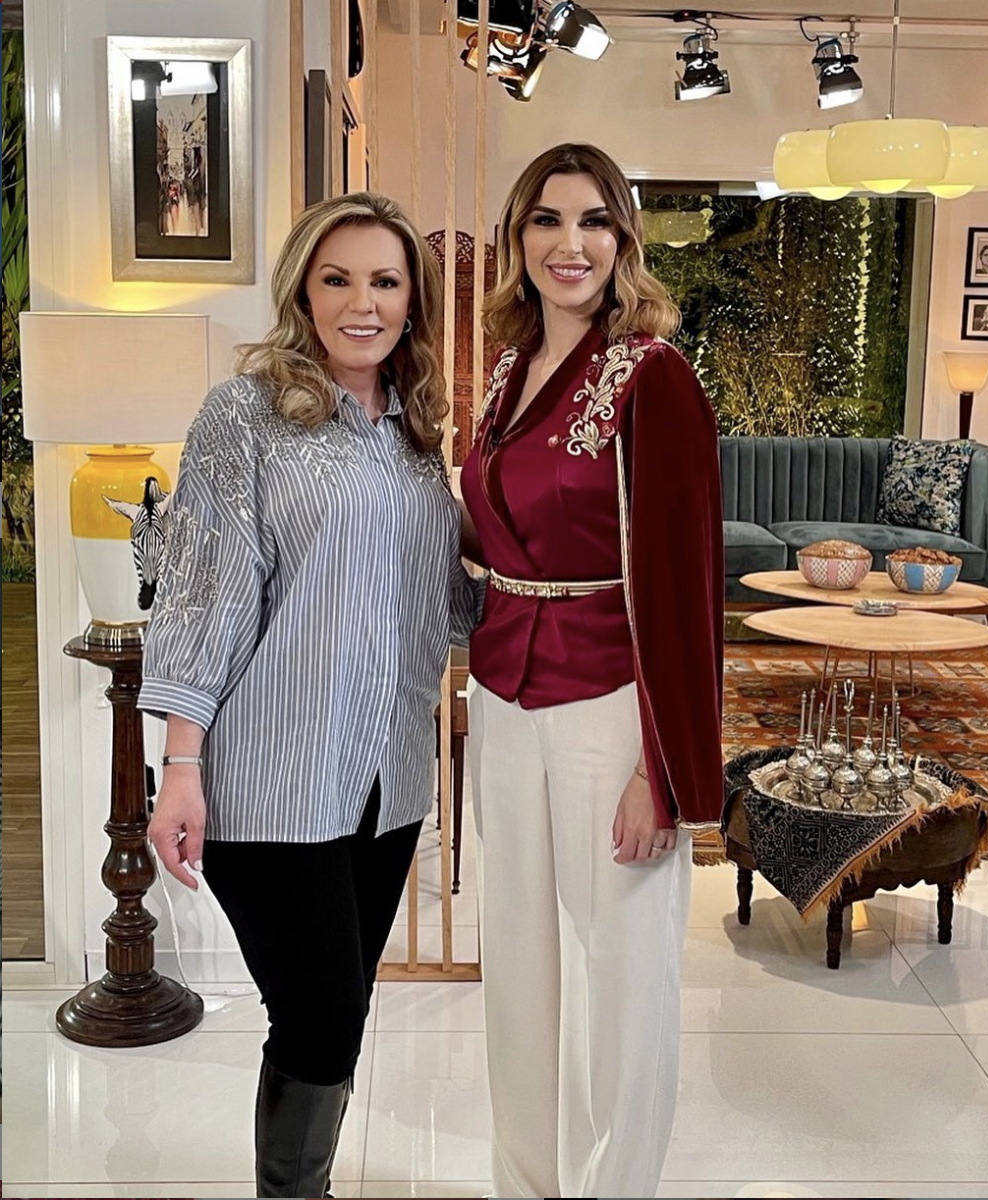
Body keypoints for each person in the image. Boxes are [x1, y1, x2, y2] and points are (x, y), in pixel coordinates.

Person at [139, 192, 483, 1199]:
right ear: (303, 292)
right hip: (270, 775)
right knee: (322, 1015)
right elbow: (205, 592)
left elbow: (445, 604)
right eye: (337, 279)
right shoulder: (244, 414)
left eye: (385, 281)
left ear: (412, 301)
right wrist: (181, 764)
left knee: (336, 1012)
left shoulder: (416, 433)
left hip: (386, 782)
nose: (361, 303)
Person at [459, 143, 724, 1199]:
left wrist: (662, 768)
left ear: (625, 240)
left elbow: (687, 584)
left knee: (622, 974)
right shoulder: (505, 370)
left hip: (612, 703)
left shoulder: (654, 376)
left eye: (594, 221)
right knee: (519, 967)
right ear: (517, 239)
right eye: (547, 220)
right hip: (503, 697)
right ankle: (526, 1183)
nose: (569, 244)